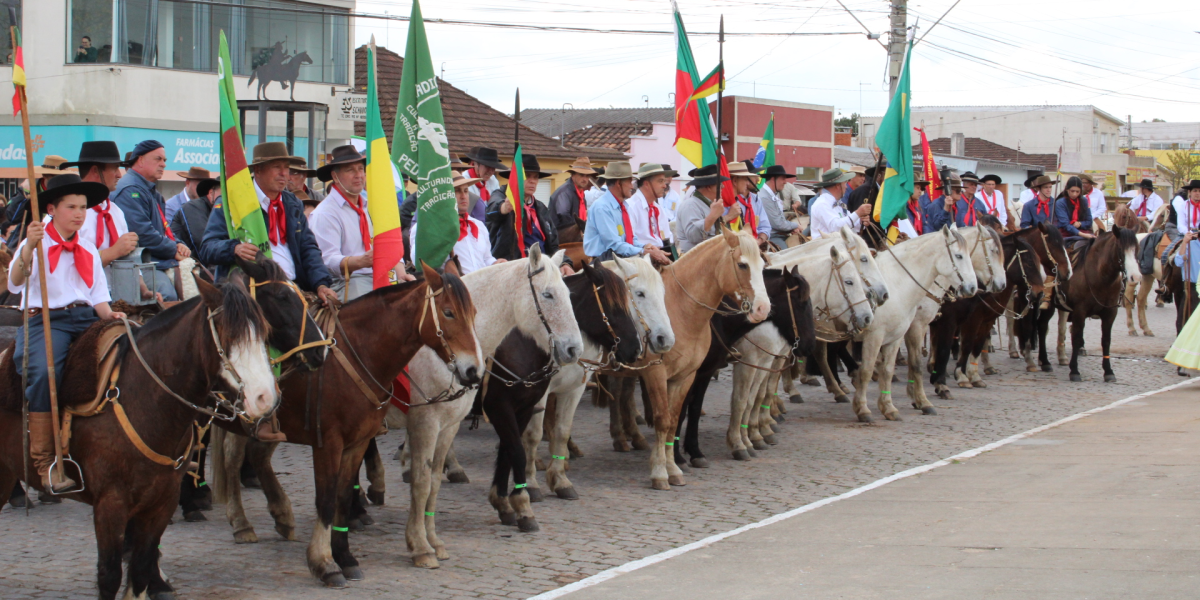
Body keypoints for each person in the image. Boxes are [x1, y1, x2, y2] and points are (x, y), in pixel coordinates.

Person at [8, 174, 126, 493]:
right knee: (44, 372)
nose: (79, 213)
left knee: (129, 355)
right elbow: (15, 282)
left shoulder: (87, 247)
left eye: (83, 208)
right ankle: (46, 462)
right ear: (51, 208)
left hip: (87, 316)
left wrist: (112, 315)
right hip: (48, 319)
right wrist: (29, 247)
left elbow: (99, 296)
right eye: (71, 207)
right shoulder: (34, 240)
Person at [199, 141, 338, 314]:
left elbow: (308, 248)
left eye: (286, 168)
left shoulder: (291, 203)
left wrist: (321, 284)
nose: (284, 173)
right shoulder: (233, 202)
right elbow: (207, 248)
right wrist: (234, 248)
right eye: (276, 167)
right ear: (258, 170)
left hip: (293, 290)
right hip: (250, 293)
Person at [111, 140, 191, 301]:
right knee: (168, 296)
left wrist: (177, 243)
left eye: (164, 160)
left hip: (153, 260)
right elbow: (142, 234)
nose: (163, 164)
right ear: (140, 160)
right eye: (158, 159)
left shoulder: (147, 189)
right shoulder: (130, 190)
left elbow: (162, 229)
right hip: (137, 262)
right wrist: (173, 249)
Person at [308, 145, 379, 302]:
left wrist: (401, 271)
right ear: (335, 176)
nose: (358, 175)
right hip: (346, 281)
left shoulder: (369, 207)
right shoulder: (325, 213)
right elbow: (326, 260)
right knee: (372, 305)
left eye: (361, 169)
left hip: (379, 275)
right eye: (350, 170)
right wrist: (360, 261)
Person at [485, 153, 573, 275]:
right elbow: (491, 212)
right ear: (515, 178)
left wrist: (564, 263)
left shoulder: (541, 208)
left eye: (536, 177)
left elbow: (553, 246)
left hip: (541, 270)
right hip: (510, 269)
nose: (532, 181)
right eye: (527, 176)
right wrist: (504, 207)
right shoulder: (501, 195)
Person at [61, 141, 139, 266]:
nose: (119, 175)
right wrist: (113, 252)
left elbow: (129, 261)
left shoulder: (116, 211)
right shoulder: (68, 215)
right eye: (114, 168)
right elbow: (68, 265)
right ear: (95, 171)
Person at [410, 172, 505, 274]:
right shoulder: (429, 226)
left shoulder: (478, 225)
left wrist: (495, 263)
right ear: (444, 196)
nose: (463, 196)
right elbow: (418, 262)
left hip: (481, 285)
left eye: (466, 191)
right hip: (452, 287)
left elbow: (486, 258)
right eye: (457, 191)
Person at [583, 161, 669, 264]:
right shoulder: (602, 208)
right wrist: (644, 251)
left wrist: (645, 247)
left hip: (619, 260)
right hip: (604, 263)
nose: (632, 186)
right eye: (629, 182)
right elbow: (614, 245)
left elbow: (631, 239)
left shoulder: (623, 206)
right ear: (618, 183)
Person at [624, 162, 675, 264]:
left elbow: (667, 236)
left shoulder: (657, 208)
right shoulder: (631, 207)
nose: (664, 185)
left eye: (664, 181)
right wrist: (651, 251)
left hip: (661, 256)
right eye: (660, 181)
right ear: (647, 184)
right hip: (641, 261)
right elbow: (629, 241)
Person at [676, 163, 732, 253]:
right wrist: (712, 217)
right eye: (719, 184)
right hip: (696, 262)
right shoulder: (690, 205)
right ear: (709, 187)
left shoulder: (709, 204)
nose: (723, 186)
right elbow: (694, 236)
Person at [809, 168, 869, 239]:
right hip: (827, 248)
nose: (846, 186)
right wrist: (857, 213)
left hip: (837, 246)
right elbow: (835, 227)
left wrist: (860, 222)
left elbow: (849, 222)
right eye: (844, 183)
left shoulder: (837, 203)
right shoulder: (822, 204)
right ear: (838, 185)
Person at [549, 156, 596, 242]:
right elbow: (563, 214)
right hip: (560, 240)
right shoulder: (565, 192)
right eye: (581, 175)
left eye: (587, 176)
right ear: (573, 175)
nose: (585, 179)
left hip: (573, 237)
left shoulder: (580, 193)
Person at [171, 178, 220, 258]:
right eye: (224, 194)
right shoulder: (193, 207)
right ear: (211, 193)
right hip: (187, 263)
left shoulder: (217, 210)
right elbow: (202, 243)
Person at [757, 164, 800, 248]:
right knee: (787, 255)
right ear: (773, 179)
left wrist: (791, 228)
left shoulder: (772, 195)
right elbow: (778, 224)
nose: (785, 182)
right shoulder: (765, 197)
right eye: (783, 179)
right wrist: (796, 225)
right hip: (771, 236)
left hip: (778, 234)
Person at [464, 146, 505, 222]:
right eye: (487, 167)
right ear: (476, 164)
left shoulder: (493, 180)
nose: (491, 171)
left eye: (493, 168)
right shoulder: (465, 180)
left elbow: (497, 201)